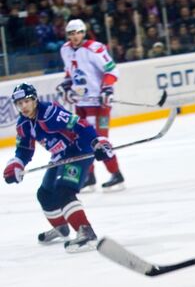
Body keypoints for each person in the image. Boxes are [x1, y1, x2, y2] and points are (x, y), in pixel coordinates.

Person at [3, 83, 114, 253]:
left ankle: (86, 233)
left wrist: (97, 142)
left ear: (34, 100)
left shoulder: (49, 113)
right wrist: (17, 163)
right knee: (45, 194)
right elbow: (24, 150)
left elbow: (80, 124)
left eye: (26, 101)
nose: (23, 106)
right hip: (60, 156)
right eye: (19, 103)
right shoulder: (23, 124)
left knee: (64, 190)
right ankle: (62, 227)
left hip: (78, 149)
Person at [57, 18, 125, 192]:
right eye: (71, 33)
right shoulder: (65, 50)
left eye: (78, 32)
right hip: (81, 103)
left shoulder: (95, 48)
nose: (75, 36)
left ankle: (116, 174)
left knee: (99, 140)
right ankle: (89, 176)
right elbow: (70, 72)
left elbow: (112, 70)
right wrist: (66, 84)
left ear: (83, 32)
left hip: (99, 103)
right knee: (80, 139)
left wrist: (107, 89)